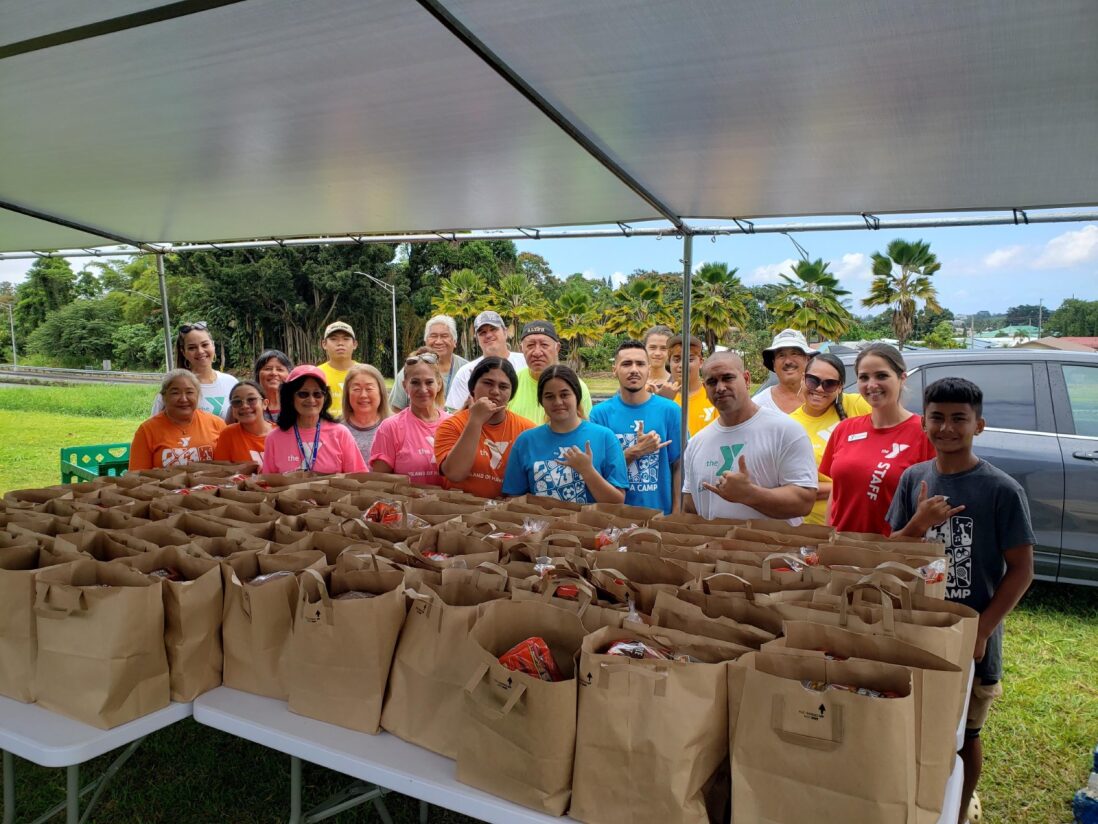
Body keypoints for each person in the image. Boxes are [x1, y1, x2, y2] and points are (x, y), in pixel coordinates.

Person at [886, 377, 1034, 824]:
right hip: (913, 628)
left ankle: (961, 804)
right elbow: (891, 547)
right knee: (911, 725)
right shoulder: (914, 478)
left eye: (958, 419)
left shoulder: (1001, 490)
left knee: (965, 732)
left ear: (979, 425)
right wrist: (918, 522)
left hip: (971, 637)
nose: (947, 428)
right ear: (924, 423)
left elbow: (1022, 570)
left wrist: (982, 629)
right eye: (937, 418)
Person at [681, 352, 817, 522]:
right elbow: (690, 506)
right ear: (705, 387)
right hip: (712, 547)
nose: (720, 387)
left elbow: (804, 502)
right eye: (712, 382)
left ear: (746, 379)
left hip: (775, 548)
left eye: (728, 378)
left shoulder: (786, 431)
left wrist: (750, 494)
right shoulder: (696, 443)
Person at [819, 343, 935, 534]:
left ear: (902, 378)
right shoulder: (845, 429)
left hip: (893, 555)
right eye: (864, 377)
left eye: (881, 376)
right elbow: (836, 493)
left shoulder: (924, 432)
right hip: (840, 553)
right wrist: (826, 539)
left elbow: (932, 503)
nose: (872, 385)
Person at [502, 365, 628, 504]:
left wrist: (587, 470)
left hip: (591, 526)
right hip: (541, 525)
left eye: (564, 395)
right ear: (541, 401)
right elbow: (514, 498)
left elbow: (617, 503)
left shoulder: (605, 437)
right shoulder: (526, 441)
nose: (557, 402)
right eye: (549, 396)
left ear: (577, 396)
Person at [590, 340, 683, 514]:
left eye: (640, 364)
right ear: (615, 369)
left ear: (649, 369)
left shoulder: (670, 411)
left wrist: (677, 511)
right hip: (613, 517)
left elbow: (679, 464)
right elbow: (596, 473)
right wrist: (636, 451)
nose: (634, 370)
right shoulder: (599, 414)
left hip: (659, 517)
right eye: (626, 364)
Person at [788, 354, 872, 525]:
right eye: (813, 380)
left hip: (858, 522)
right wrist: (854, 485)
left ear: (840, 387)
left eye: (829, 384)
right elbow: (795, 489)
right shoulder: (789, 425)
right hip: (813, 526)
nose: (819, 389)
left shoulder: (857, 405)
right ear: (803, 379)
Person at [435, 357, 534, 498]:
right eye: (488, 383)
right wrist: (475, 420)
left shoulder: (527, 430)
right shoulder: (451, 425)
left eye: (503, 386)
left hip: (506, 515)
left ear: (511, 393)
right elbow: (455, 474)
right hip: (458, 513)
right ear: (472, 388)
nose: (495, 391)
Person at [260, 365, 366, 474]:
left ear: (325, 398)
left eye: (317, 394)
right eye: (303, 394)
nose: (311, 400)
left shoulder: (340, 433)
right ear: (290, 397)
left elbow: (359, 478)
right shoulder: (274, 439)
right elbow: (268, 484)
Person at [370, 350, 451, 485]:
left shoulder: (453, 424)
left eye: (429, 382)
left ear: (439, 384)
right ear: (405, 386)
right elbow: (380, 483)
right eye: (415, 383)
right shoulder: (391, 427)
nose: (423, 389)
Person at [130, 369, 227, 470]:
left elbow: (228, 468)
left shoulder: (217, 424)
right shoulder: (147, 430)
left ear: (197, 395)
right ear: (164, 397)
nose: (183, 399)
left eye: (189, 392)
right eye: (175, 393)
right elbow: (137, 475)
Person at [508, 320, 593, 423]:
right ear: (521, 349)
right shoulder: (510, 385)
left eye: (544, 345)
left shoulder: (576, 387)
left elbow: (585, 431)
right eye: (530, 345)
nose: (537, 352)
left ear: (557, 348)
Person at [152, 322, 237, 419]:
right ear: (183, 352)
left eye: (205, 345)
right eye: (192, 348)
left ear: (213, 345)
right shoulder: (172, 389)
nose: (200, 351)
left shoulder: (231, 383)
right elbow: (154, 429)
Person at [445, 311, 526, 410]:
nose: (488, 335)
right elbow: (451, 411)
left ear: (505, 332)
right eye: (482, 332)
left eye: (493, 329)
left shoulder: (525, 362)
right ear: (477, 339)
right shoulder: (465, 372)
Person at [389, 315, 469, 411]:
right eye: (433, 336)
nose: (438, 341)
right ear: (426, 341)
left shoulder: (467, 370)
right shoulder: (411, 369)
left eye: (444, 336)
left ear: (455, 341)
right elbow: (395, 410)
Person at [660, 334, 717, 436]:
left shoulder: (714, 394)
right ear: (670, 363)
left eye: (690, 360)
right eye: (676, 360)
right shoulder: (662, 397)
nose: (682, 365)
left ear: (701, 362)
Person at [753, 328, 817, 414]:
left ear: (808, 360)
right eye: (781, 355)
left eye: (794, 353)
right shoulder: (758, 405)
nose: (788, 362)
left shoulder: (822, 397)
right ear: (774, 364)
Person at [340, 364, 392, 463]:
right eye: (356, 389)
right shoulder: (336, 428)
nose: (363, 395)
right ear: (347, 394)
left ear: (381, 392)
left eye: (369, 389)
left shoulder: (395, 426)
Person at [213, 380, 272, 464]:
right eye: (237, 402)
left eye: (251, 399)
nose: (244, 406)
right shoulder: (228, 434)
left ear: (265, 404)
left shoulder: (281, 433)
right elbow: (222, 472)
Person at [316, 321, 359, 412]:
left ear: (355, 344)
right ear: (324, 344)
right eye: (333, 339)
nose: (340, 343)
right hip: (324, 425)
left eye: (346, 339)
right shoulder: (316, 374)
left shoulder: (366, 373)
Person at [254, 350, 292, 423]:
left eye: (280, 369)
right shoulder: (246, 404)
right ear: (257, 374)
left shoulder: (296, 404)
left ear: (289, 375)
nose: (274, 373)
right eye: (268, 369)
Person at [643, 325, 674, 393]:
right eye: (652, 347)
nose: (657, 353)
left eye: (663, 348)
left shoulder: (676, 385)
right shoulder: (634, 382)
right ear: (644, 349)